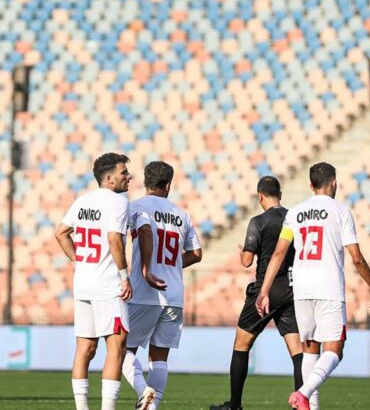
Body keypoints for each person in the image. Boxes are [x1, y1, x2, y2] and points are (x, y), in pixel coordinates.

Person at [256, 162, 370, 410]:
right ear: (334, 183)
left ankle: (310, 407)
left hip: (302, 289)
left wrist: (264, 290)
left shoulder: (295, 213)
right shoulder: (341, 212)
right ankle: (303, 394)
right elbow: (356, 257)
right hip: (328, 288)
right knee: (336, 349)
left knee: (310, 350)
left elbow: (279, 254)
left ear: (311, 185)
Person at [210, 176, 301, 410]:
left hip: (265, 289)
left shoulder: (258, 221)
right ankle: (302, 403)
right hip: (292, 289)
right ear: (280, 195)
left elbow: (248, 261)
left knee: (241, 344)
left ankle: (235, 405)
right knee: (297, 350)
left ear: (260, 196)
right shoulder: (294, 218)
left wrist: (243, 253)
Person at [121, 161, 203, 410]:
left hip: (144, 291)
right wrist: (171, 267)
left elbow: (142, 234)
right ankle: (152, 407)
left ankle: (142, 390)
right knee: (160, 359)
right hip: (174, 293)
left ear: (146, 182)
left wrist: (146, 268)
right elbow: (197, 253)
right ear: (168, 185)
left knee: (123, 349)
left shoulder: (135, 207)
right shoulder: (181, 214)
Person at [55, 153, 133, 410]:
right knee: (117, 346)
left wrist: (79, 260)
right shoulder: (118, 203)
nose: (128, 176)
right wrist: (124, 277)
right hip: (108, 285)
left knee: (85, 349)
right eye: (124, 172)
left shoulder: (83, 201)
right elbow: (113, 239)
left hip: (83, 284)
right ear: (109, 179)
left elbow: (61, 233)